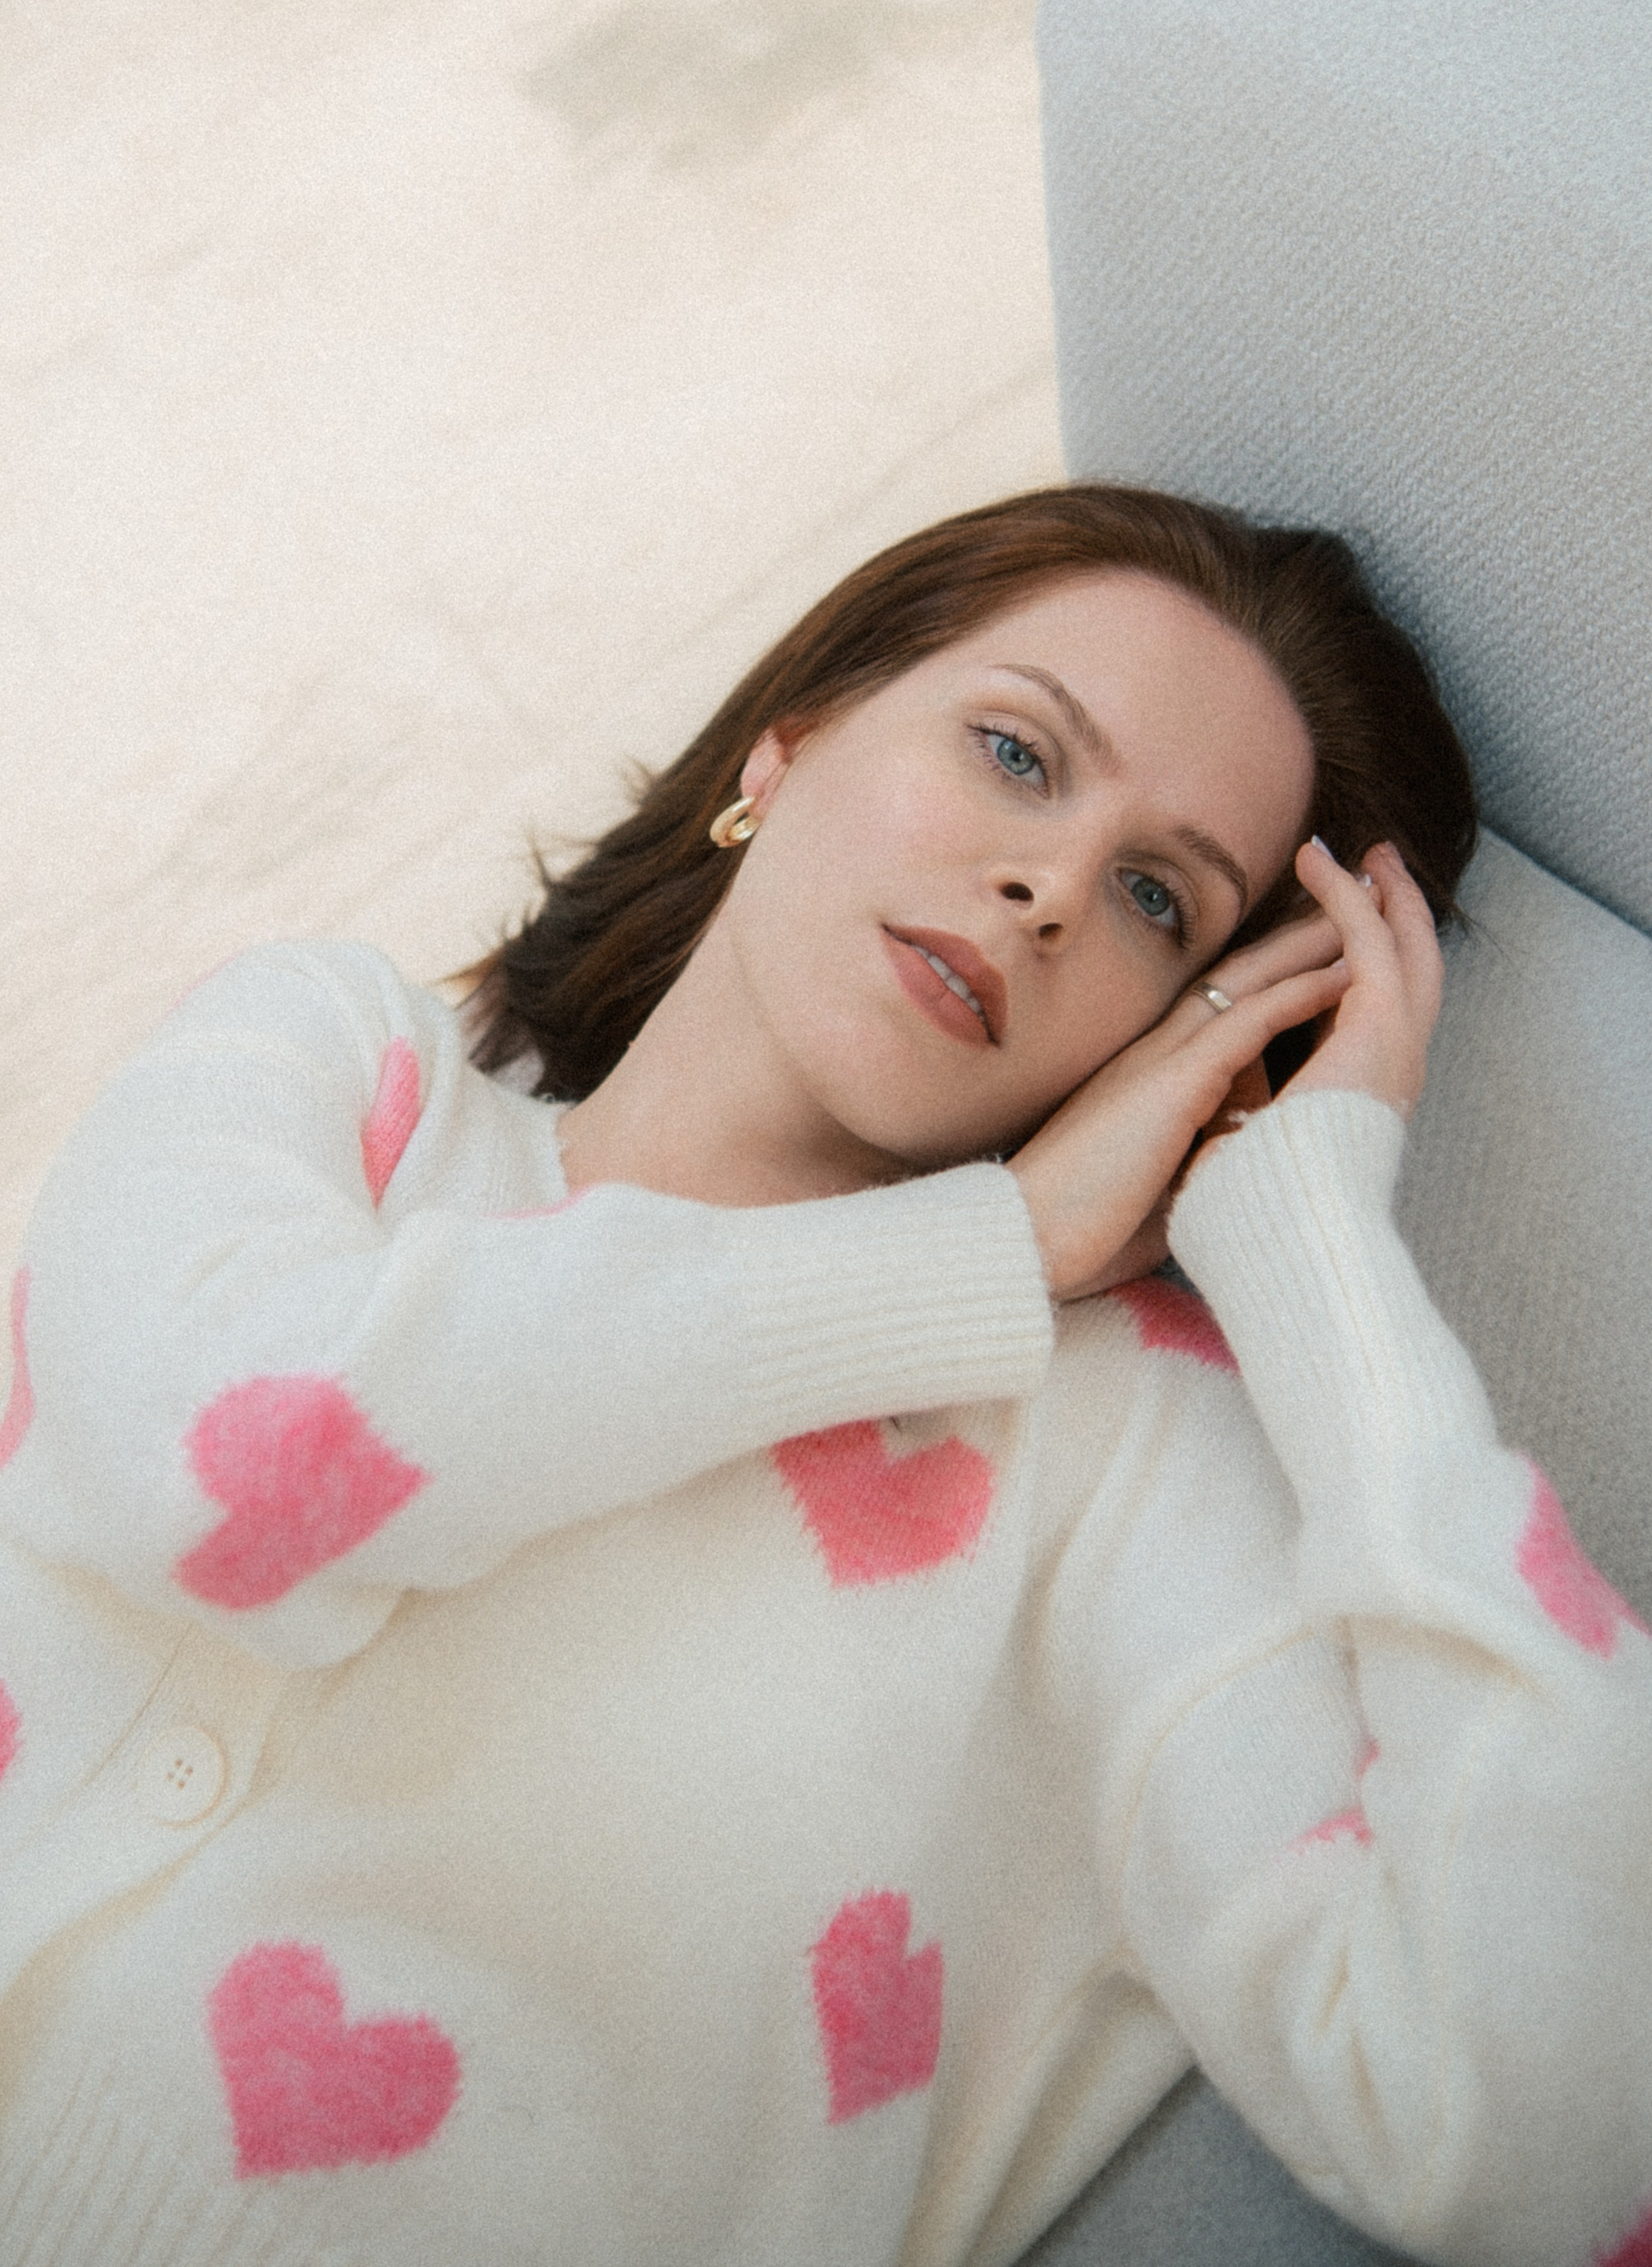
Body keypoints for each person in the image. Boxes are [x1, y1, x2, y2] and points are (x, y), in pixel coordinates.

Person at [0, 482, 1645, 2267]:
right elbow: (227, 1482)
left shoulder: (1106, 1458)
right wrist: (989, 1251)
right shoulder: (330, 1061)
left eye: (1158, 900)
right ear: (786, 747)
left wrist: (1319, 1240)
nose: (1051, 889)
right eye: (1018, 754)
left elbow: (1558, 2135)